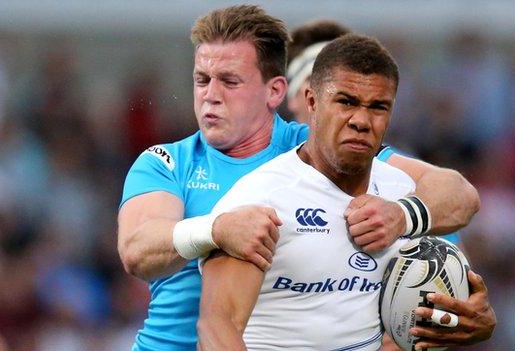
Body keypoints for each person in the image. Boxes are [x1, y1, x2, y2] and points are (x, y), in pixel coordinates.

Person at [118, 5, 485, 350]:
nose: (210, 96)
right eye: (202, 80)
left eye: (229, 81)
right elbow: (137, 250)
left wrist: (402, 218)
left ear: (275, 90)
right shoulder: (168, 163)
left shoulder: (324, 152)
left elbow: (454, 193)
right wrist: (215, 230)